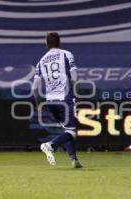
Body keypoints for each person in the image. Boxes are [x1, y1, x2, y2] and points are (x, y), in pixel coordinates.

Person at [32, 32, 82, 168]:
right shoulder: (66, 54)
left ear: (46, 44)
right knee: (71, 132)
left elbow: (35, 89)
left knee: (67, 130)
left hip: (50, 101)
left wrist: (39, 104)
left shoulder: (41, 61)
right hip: (65, 98)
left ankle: (74, 159)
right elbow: (74, 77)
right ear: (60, 42)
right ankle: (50, 145)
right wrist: (76, 92)